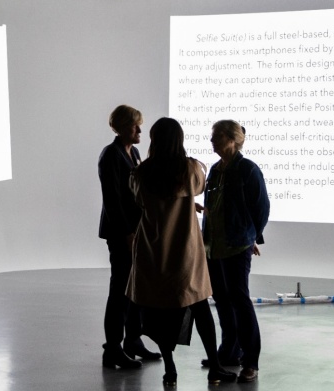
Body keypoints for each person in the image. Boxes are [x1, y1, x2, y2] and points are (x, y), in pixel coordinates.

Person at [127, 117, 238, 387]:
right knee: (200, 305)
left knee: (160, 313)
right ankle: (215, 366)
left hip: (153, 251)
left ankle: (170, 369)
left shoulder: (142, 173)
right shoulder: (190, 169)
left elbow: (139, 200)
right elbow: (198, 187)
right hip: (185, 250)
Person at [201, 120, 270, 383]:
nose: (212, 141)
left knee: (240, 301)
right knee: (221, 299)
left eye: (217, 136)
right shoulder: (215, 170)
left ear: (232, 139)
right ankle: (229, 352)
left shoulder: (248, 169)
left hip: (237, 245)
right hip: (213, 246)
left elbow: (261, 208)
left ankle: (250, 361)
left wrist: (250, 235)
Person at [97, 105, 160, 369]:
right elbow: (113, 200)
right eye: (135, 125)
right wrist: (127, 234)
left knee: (135, 289)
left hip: (136, 231)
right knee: (120, 291)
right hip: (122, 233)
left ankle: (132, 341)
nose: (140, 130)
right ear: (122, 127)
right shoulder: (110, 155)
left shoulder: (132, 152)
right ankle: (112, 348)